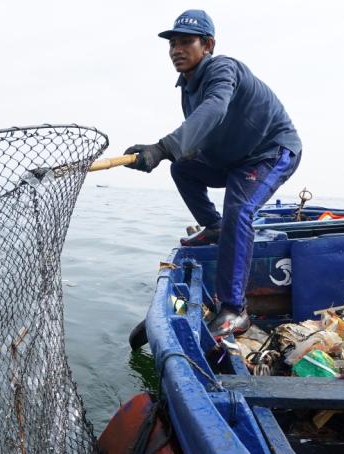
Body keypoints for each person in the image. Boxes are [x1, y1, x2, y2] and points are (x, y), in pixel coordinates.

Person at [125, 9, 302, 337]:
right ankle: (215, 227)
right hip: (235, 160)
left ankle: (235, 310)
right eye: (172, 43)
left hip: (271, 152)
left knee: (240, 209)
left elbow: (215, 109)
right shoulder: (187, 86)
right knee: (182, 167)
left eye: (186, 42)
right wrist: (155, 153)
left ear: (207, 45)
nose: (176, 50)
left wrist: (163, 146)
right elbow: (200, 136)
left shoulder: (222, 68)